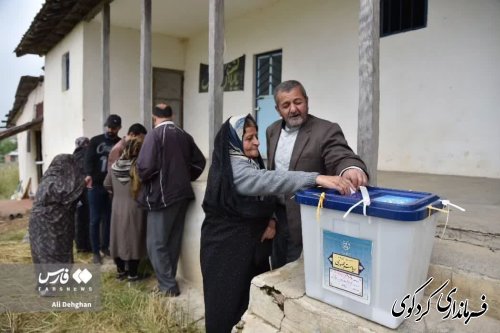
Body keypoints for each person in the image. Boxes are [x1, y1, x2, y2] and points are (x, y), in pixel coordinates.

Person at [200, 114, 359, 333]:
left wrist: (272, 220)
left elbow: (265, 197)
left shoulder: (249, 161)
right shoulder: (235, 168)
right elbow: (269, 181)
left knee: (250, 305)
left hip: (249, 251)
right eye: (249, 138)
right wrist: (316, 178)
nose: (256, 142)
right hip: (225, 254)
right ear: (233, 142)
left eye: (256, 136)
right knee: (226, 309)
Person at [266, 80, 369, 269]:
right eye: (286, 105)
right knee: (277, 267)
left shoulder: (325, 130)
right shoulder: (272, 131)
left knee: (299, 271)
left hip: (307, 216)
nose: (293, 109)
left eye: (298, 102)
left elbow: (340, 155)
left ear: (307, 101)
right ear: (278, 109)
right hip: (278, 217)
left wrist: (350, 168)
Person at [136, 103, 206, 296]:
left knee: (156, 243)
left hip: (161, 196)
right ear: (172, 115)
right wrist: (184, 177)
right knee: (172, 241)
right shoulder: (184, 135)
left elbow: (145, 168)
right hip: (182, 195)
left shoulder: (154, 135)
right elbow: (200, 162)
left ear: (153, 117)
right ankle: (169, 280)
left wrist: (142, 178)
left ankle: (167, 286)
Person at [29, 154, 85, 265]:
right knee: (53, 251)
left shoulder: (48, 177)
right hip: (49, 223)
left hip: (39, 222)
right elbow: (67, 195)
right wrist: (83, 183)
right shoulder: (59, 181)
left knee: (45, 251)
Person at [104, 137, 147, 281]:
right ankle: (133, 274)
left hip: (117, 207)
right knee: (134, 239)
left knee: (118, 237)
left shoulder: (115, 166)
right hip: (135, 207)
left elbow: (107, 185)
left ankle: (120, 272)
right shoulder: (139, 167)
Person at [84, 114, 122, 264]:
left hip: (112, 187)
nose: (110, 130)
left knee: (108, 218)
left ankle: (105, 246)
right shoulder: (95, 141)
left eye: (114, 128)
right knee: (95, 219)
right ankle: (95, 252)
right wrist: (88, 175)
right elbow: (88, 160)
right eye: (109, 127)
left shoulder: (120, 143)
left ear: (119, 128)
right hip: (96, 185)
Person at [73, 136, 91, 253]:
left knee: (78, 218)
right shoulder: (89, 155)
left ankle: (80, 246)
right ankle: (89, 245)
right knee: (89, 218)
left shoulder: (73, 157)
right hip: (88, 191)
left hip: (76, 192)